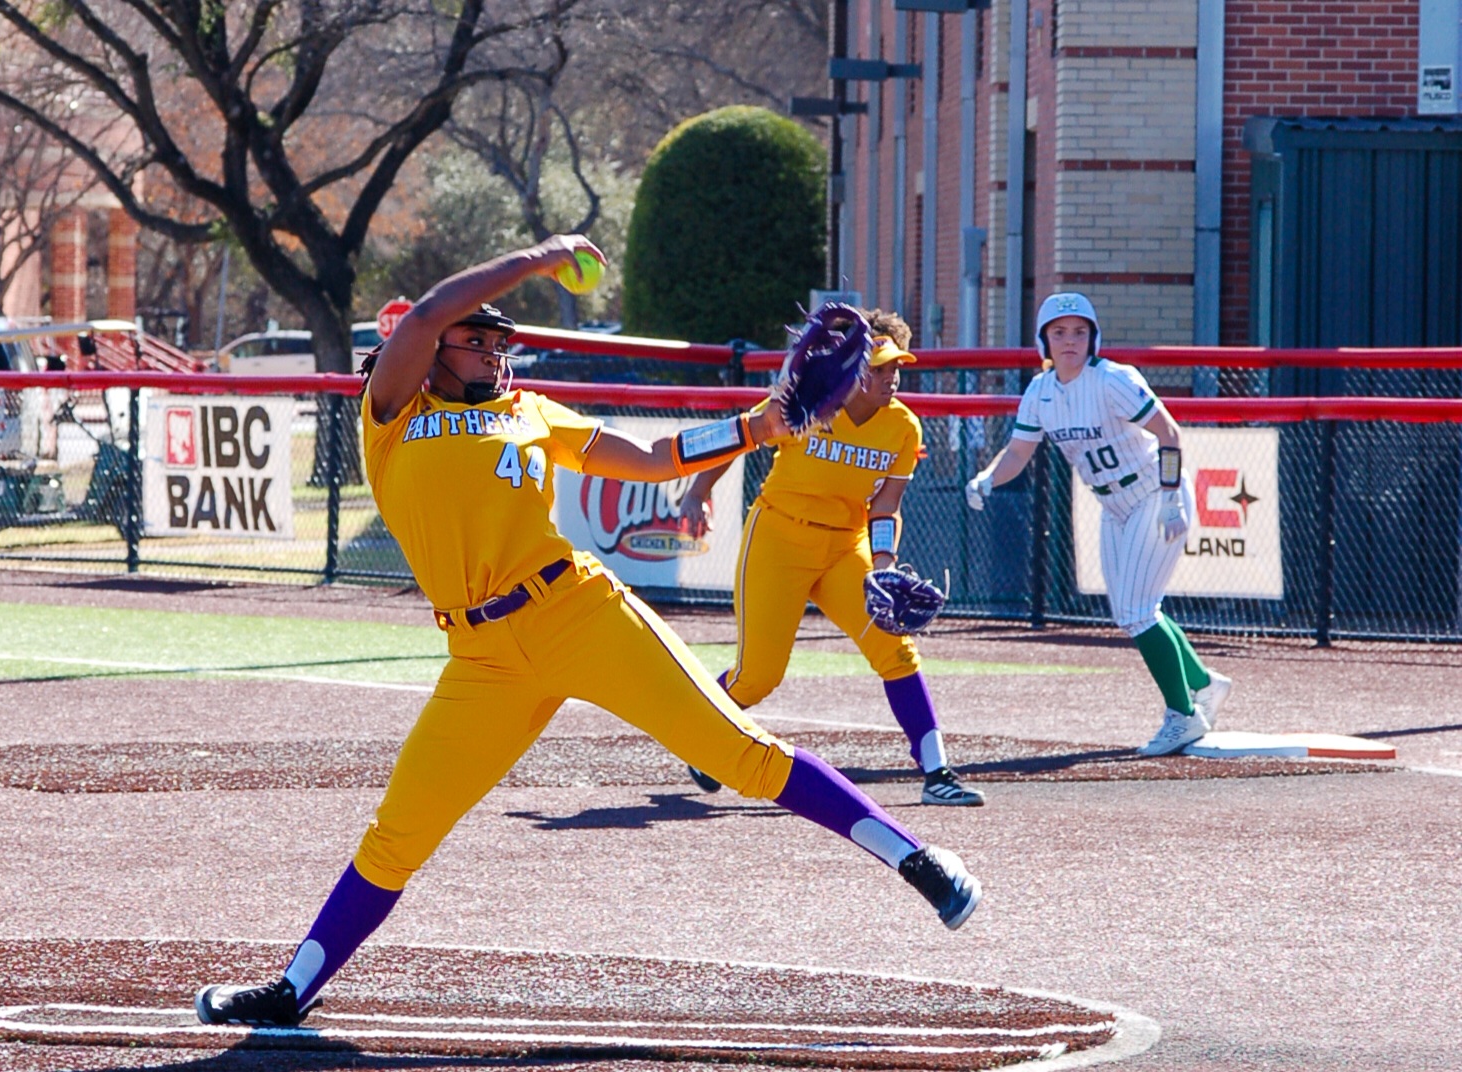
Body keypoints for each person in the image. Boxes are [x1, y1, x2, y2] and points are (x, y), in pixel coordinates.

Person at [194, 237, 982, 1028]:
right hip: (482, 657)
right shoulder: (394, 416)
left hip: (578, 610)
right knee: (402, 828)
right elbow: (431, 310)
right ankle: (293, 987)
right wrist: (538, 258)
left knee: (739, 752)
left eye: (503, 341)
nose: (497, 352)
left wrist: (754, 428)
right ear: (431, 351)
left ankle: (916, 858)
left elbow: (650, 454)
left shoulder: (528, 411)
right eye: (481, 340)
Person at [677, 309, 983, 807]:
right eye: (880, 368)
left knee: (896, 650)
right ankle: (697, 731)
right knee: (759, 675)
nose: (891, 378)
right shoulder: (811, 398)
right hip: (779, 535)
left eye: (895, 368)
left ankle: (938, 773)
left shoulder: (903, 426)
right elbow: (742, 435)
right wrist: (698, 491)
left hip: (845, 545)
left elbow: (886, 505)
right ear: (854, 369)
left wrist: (883, 566)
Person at [966, 292, 1231, 757]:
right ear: (1044, 340)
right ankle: (1204, 684)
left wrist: (1172, 496)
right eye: (1059, 332)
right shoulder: (1040, 392)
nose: (1070, 341)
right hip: (1113, 504)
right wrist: (988, 478)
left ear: (1094, 338)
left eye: (1080, 331)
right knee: (1136, 609)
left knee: (1136, 611)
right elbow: (1019, 453)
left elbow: (1169, 433)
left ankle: (1183, 715)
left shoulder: (1112, 379)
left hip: (1153, 491)